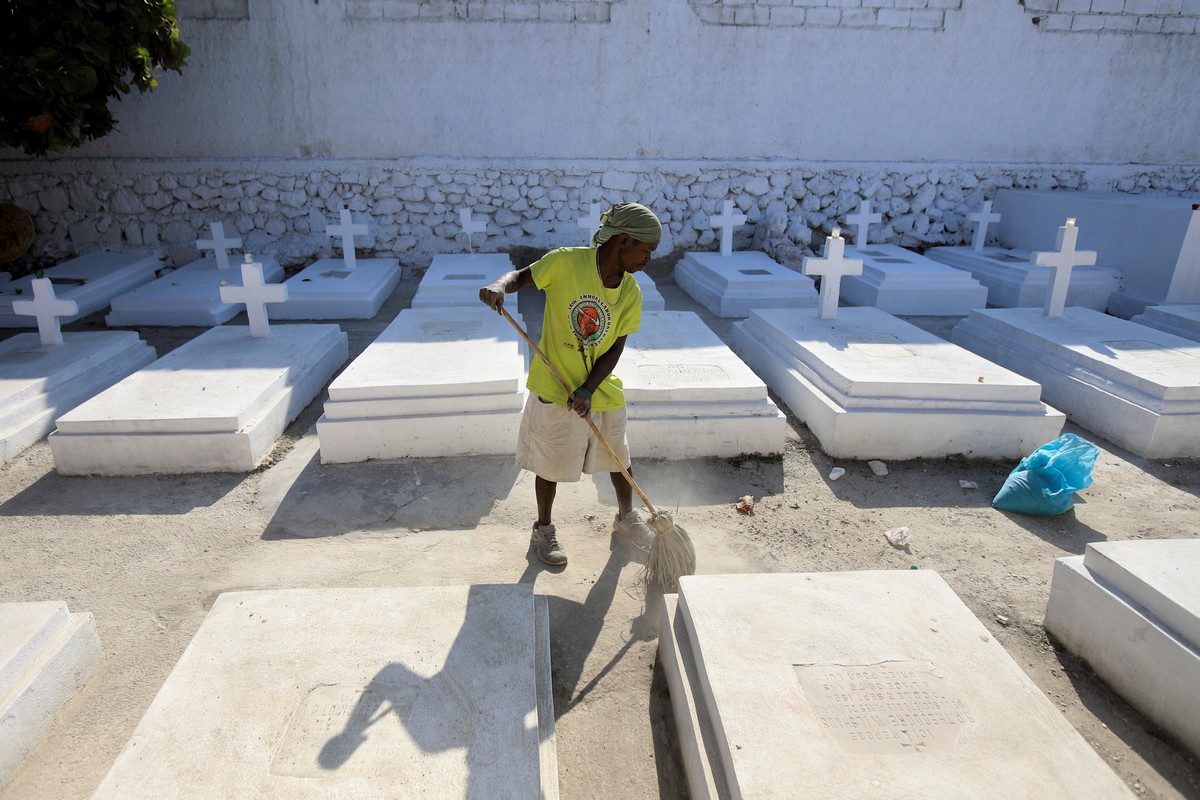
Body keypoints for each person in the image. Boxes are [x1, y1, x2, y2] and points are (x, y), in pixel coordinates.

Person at [479, 202, 661, 566]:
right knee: (550, 466)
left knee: (619, 460)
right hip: (555, 385)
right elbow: (520, 277)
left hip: (599, 386)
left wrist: (589, 389)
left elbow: (614, 349)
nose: (648, 259)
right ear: (624, 241)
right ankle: (543, 529)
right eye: (646, 250)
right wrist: (499, 286)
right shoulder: (566, 262)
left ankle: (626, 518)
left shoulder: (631, 293)